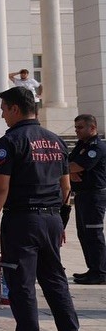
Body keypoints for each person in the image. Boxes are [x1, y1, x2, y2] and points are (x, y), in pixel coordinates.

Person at [0, 86, 87, 331]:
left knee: (21, 283)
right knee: (55, 280)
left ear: (15, 109)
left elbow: (0, 187)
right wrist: (60, 221)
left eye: (4, 109)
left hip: (22, 220)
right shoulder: (56, 141)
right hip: (51, 218)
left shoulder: (11, 141)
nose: (3, 115)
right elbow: (66, 187)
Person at [68, 114, 106, 284]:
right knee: (84, 233)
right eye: (76, 127)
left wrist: (70, 170)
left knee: (94, 233)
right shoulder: (81, 145)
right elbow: (69, 163)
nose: (77, 130)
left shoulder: (96, 146)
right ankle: (93, 269)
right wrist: (70, 171)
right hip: (83, 195)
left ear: (92, 128)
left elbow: (79, 166)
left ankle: (100, 272)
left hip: (94, 195)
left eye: (80, 127)